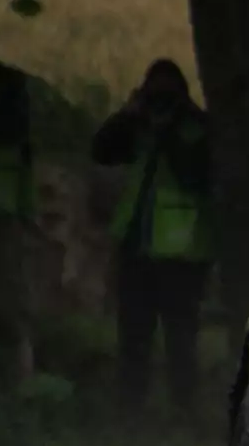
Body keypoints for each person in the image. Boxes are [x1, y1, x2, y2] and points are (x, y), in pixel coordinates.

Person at [91, 59, 215, 413]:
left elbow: (195, 175)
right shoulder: (140, 126)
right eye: (152, 95)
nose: (158, 103)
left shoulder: (196, 128)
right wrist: (128, 115)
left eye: (165, 96)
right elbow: (101, 150)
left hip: (183, 256)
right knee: (133, 337)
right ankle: (130, 410)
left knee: (181, 342)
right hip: (138, 251)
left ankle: (184, 412)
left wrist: (167, 131)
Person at [0, 49, 37, 382]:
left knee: (5, 304)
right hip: (1, 211)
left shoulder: (8, 89)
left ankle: (20, 376)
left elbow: (9, 129)